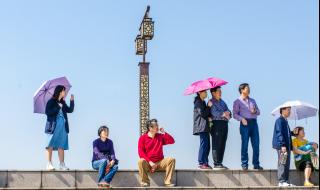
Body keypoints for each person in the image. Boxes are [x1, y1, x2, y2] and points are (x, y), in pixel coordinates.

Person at [233, 83, 263, 170]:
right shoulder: (237, 101)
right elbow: (234, 114)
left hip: (254, 123)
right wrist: (241, 119)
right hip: (244, 123)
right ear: (242, 90)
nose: (249, 90)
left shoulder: (253, 100)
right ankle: (244, 164)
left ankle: (256, 164)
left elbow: (259, 112)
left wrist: (255, 111)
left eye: (249, 88)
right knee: (245, 144)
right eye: (247, 88)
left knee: (256, 144)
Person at [138, 119, 176, 187]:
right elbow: (141, 152)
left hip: (160, 162)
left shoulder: (160, 136)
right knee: (140, 161)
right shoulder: (142, 138)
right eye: (156, 125)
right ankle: (145, 182)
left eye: (157, 125)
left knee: (171, 160)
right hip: (148, 163)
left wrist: (164, 132)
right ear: (150, 128)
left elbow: (172, 141)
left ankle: (167, 182)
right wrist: (150, 162)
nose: (158, 127)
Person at [45, 85, 74, 170]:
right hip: (53, 127)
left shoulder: (63, 102)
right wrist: (58, 107)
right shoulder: (51, 101)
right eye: (64, 91)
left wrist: (72, 101)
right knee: (49, 144)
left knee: (61, 145)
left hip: (63, 127)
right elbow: (48, 112)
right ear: (60, 91)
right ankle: (49, 164)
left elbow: (70, 110)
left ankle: (62, 164)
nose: (65, 92)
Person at [208, 86, 231, 169]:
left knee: (222, 143)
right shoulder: (211, 102)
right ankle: (216, 162)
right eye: (218, 91)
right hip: (216, 124)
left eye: (221, 91)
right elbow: (214, 113)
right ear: (213, 93)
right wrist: (223, 114)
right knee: (216, 143)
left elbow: (228, 111)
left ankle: (220, 162)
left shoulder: (222, 102)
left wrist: (228, 113)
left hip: (224, 124)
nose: (220, 92)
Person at [193, 90, 212, 170]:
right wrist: (209, 106)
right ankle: (201, 163)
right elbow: (203, 113)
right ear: (200, 93)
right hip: (201, 126)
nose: (206, 93)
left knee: (207, 145)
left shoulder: (202, 102)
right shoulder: (198, 102)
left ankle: (205, 163)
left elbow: (206, 113)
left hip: (205, 126)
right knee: (204, 144)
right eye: (205, 92)